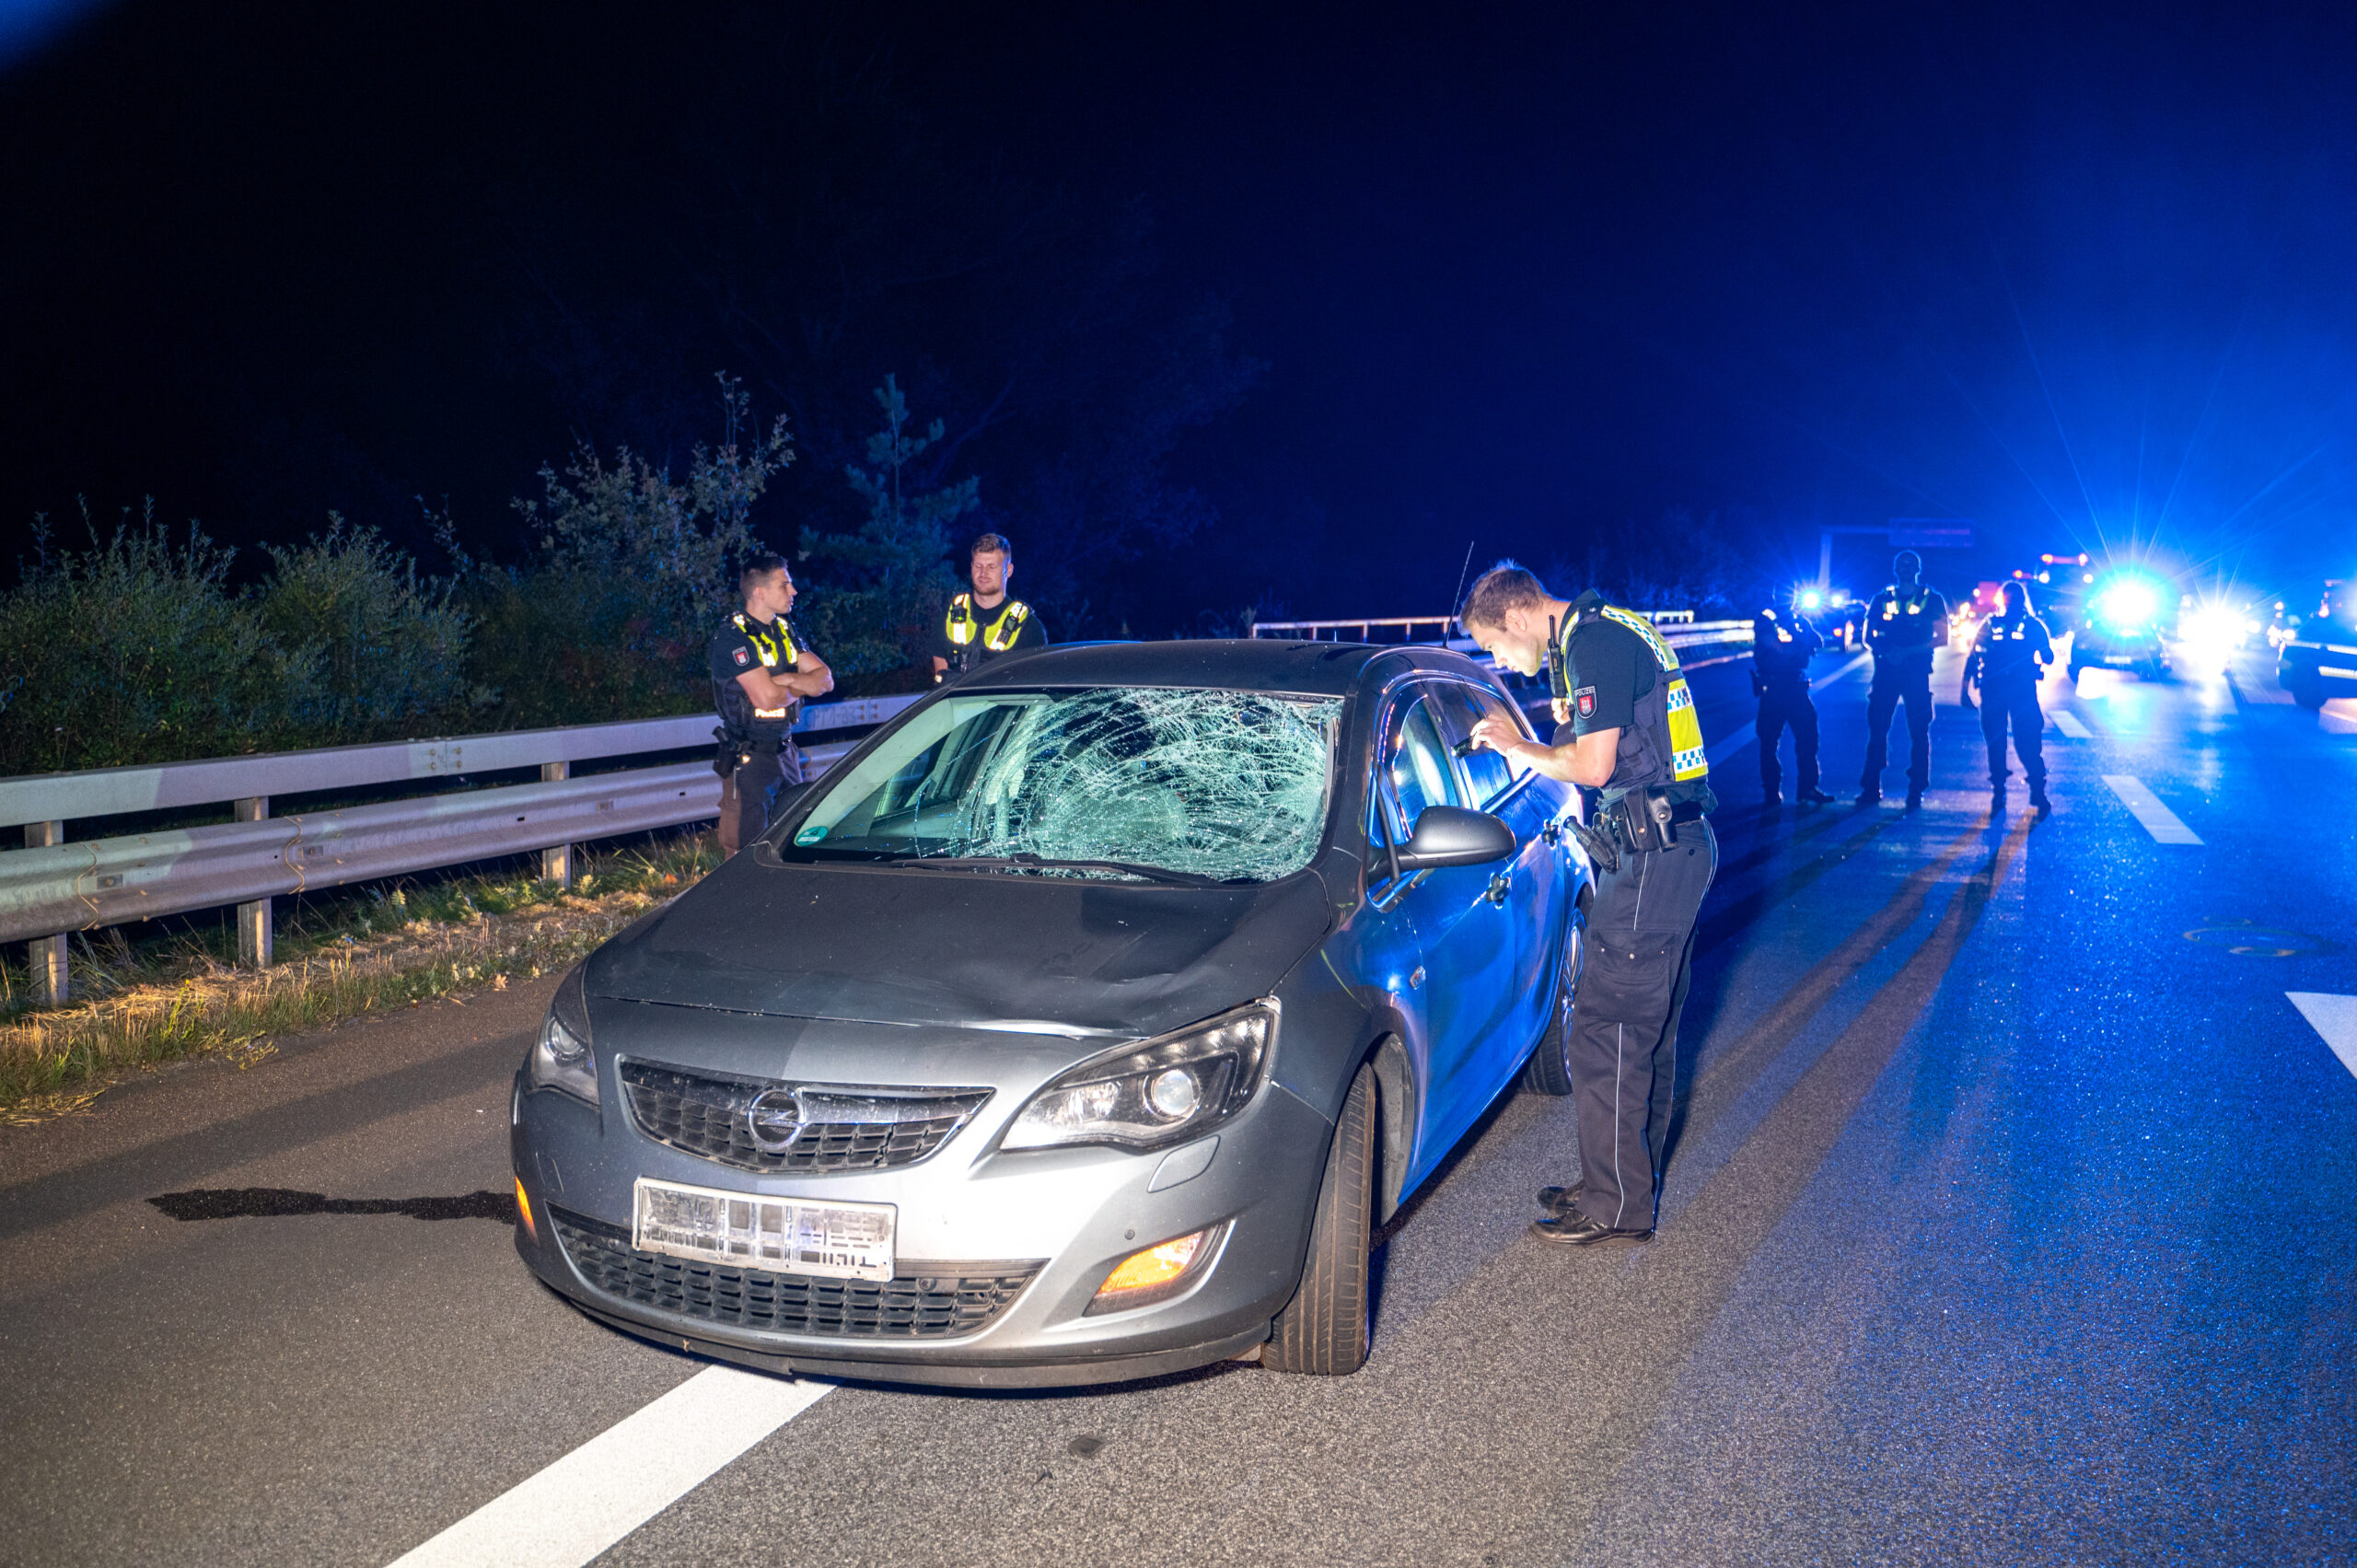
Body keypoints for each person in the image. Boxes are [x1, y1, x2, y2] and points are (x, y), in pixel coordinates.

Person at [1462, 563, 1719, 1248]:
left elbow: (1595, 766)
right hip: (1670, 847)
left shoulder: (1592, 643)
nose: (1500, 662)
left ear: (1518, 616)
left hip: (1653, 855)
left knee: (1607, 1030)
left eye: (1494, 645)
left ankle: (1615, 1202)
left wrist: (1519, 747)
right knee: (1645, 1030)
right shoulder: (1607, 628)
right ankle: (1623, 1180)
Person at [709, 555, 833, 856]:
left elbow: (826, 680)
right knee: (747, 852)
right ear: (760, 592)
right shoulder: (732, 636)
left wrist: (784, 680)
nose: (793, 591)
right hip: (749, 758)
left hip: (785, 752)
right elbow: (765, 698)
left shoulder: (785, 631)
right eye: (785, 584)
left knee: (791, 842)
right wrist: (798, 685)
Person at [1857, 550, 1950, 809]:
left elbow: (1943, 638)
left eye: (1911, 564)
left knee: (1919, 733)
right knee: (1877, 731)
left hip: (1916, 674)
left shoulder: (1933, 600)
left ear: (1918, 568)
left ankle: (1916, 789)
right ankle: (1870, 787)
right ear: (1895, 569)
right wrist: (1887, 652)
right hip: (1886, 673)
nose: (1906, 568)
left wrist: (1907, 652)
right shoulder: (1881, 598)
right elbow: (1867, 636)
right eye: (1902, 564)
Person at [1960, 578, 2054, 814]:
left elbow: (2048, 656)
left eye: (2015, 599)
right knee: (2000, 742)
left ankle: (2034, 790)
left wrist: (1964, 690)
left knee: (2023, 742)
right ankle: (2004, 791)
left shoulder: (2030, 626)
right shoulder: (1993, 624)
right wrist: (1964, 690)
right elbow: (1973, 657)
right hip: (1996, 691)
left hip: (2016, 691)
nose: (2011, 604)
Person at [931, 532, 1048, 683]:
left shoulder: (1028, 627)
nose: (983, 573)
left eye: (991, 567)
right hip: (954, 705)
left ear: (1009, 570)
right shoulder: (951, 615)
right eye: (978, 566)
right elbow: (940, 677)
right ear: (971, 566)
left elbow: (1033, 684)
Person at [1750, 600, 1833, 806]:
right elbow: (1777, 648)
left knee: (1809, 739)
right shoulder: (1766, 618)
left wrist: (1803, 633)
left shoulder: (1798, 619)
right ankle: (1771, 791)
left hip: (1796, 688)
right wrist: (1801, 644)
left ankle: (1808, 788)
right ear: (1776, 594)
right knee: (1769, 742)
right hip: (1774, 689)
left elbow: (1819, 641)